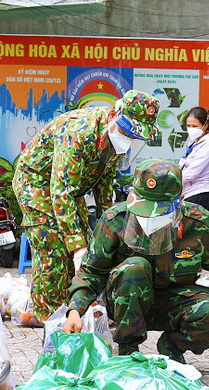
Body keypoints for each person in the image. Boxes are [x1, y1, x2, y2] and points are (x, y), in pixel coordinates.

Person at [61, 159, 209, 362]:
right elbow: (91, 272)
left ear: (177, 203)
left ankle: (172, 347)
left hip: (176, 300)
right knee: (134, 267)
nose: (148, 217)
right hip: (128, 301)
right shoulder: (114, 221)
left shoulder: (196, 223)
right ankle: (128, 351)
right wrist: (74, 311)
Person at [13, 90, 160, 321]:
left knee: (87, 246)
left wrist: (108, 225)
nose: (128, 140)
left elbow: (104, 184)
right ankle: (49, 318)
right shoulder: (79, 132)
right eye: (127, 132)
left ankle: (72, 308)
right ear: (114, 115)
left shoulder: (114, 140)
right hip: (36, 182)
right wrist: (77, 246)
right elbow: (61, 190)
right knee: (54, 247)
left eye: (135, 137)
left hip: (74, 189)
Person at [178, 107, 209, 210]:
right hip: (187, 193)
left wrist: (171, 183)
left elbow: (191, 173)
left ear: (205, 125)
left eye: (195, 126)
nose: (191, 129)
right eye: (188, 126)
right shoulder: (193, 141)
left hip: (198, 195)